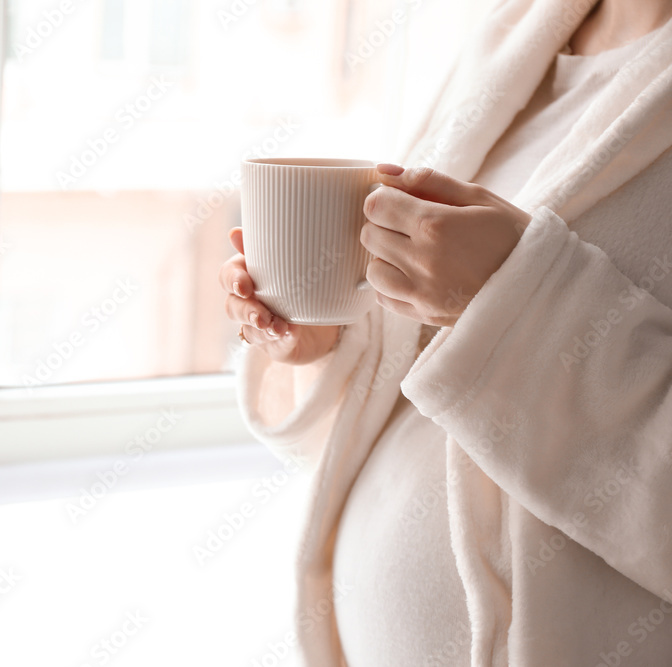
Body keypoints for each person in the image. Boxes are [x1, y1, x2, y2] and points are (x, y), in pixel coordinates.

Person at [220, 0, 672, 664]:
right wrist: (326, 344)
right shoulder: (515, 32)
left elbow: (494, 310)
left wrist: (520, 299)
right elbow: (421, 358)